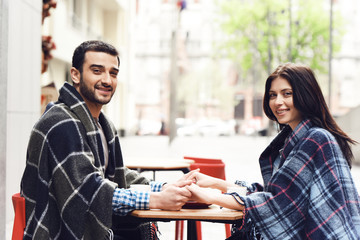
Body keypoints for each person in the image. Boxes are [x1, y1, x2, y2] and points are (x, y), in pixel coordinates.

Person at [21, 40, 193, 240]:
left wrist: (165, 188)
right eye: (97, 71)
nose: (107, 80)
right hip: (59, 232)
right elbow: (90, 189)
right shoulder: (61, 123)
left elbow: (118, 175)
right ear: (75, 75)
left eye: (113, 73)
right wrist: (154, 200)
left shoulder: (103, 125)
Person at [185, 63, 360, 239]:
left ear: (306, 95)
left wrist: (209, 197)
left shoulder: (316, 139)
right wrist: (215, 183)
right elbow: (276, 195)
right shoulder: (292, 139)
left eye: (287, 94)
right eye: (272, 95)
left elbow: (279, 204)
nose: (277, 102)